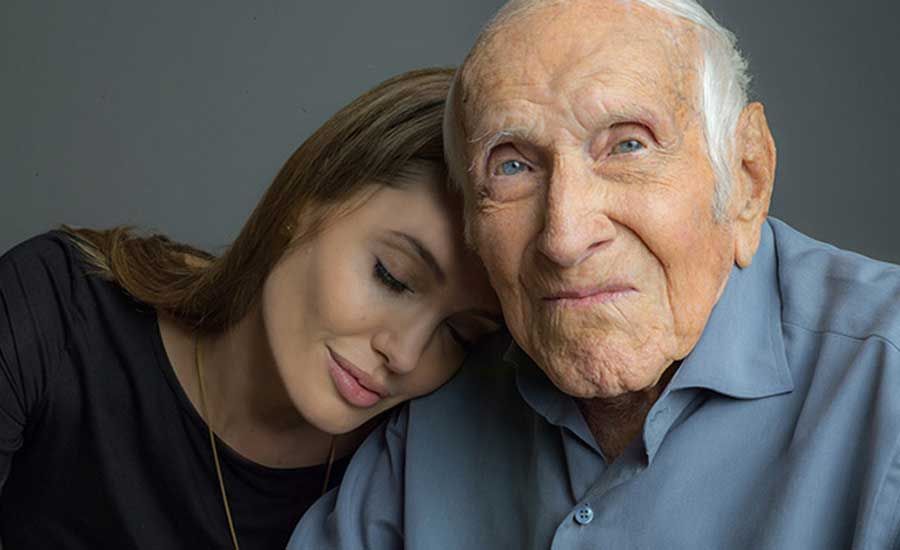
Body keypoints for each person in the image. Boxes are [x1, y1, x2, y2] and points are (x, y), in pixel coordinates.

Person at [290, 1, 900, 548]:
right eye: (512, 167)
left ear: (746, 179)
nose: (565, 236)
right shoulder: (441, 403)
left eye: (628, 146)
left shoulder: (885, 383)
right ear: (471, 223)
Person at [0, 67, 500, 549]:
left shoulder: (410, 472)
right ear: (304, 203)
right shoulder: (55, 307)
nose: (405, 354)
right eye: (392, 276)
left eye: (458, 334)